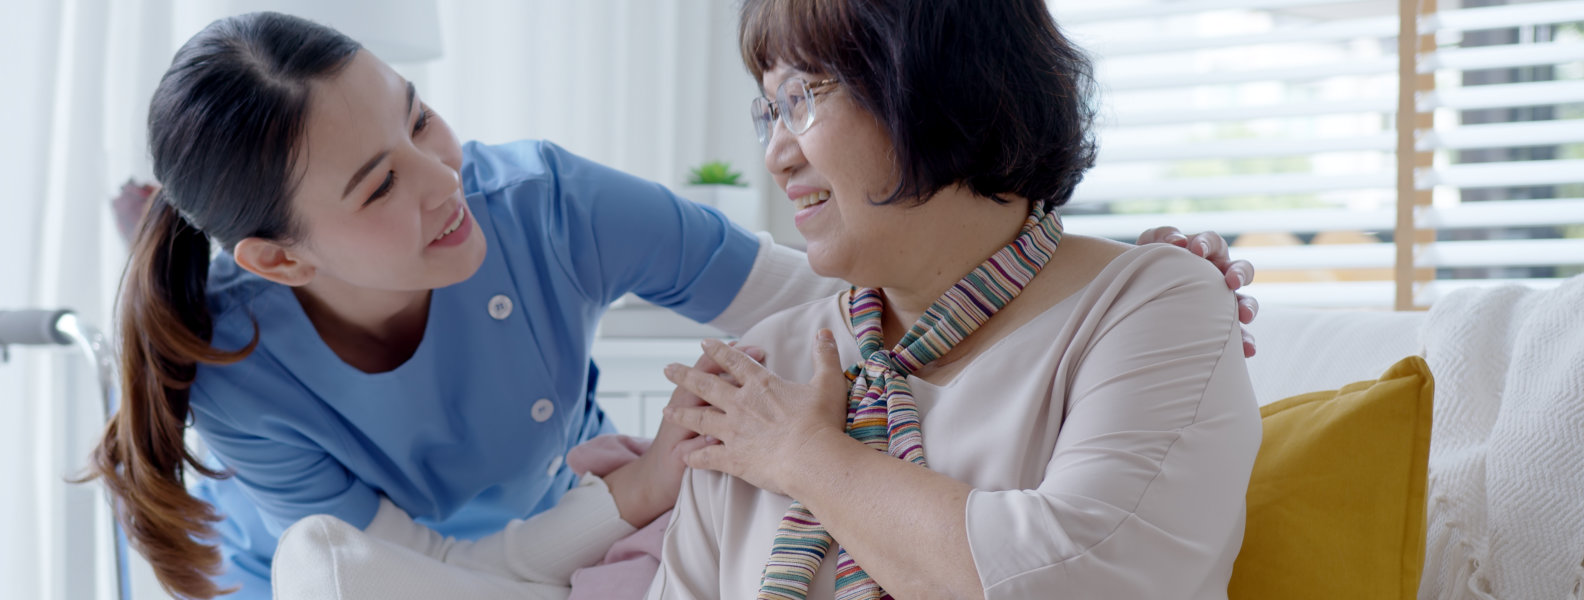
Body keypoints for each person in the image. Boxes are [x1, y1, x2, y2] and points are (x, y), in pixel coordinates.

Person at [83, 11, 1261, 599]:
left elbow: (863, 290)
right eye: (381, 182)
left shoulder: (547, 207)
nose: (447, 180)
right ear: (281, 260)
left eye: (420, 120)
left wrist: (1108, 270)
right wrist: (653, 483)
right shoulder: (239, 371)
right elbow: (431, 565)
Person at [648, 2, 1263, 599]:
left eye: (802, 98)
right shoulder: (763, 367)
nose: (777, 156)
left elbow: (1078, 578)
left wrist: (803, 456)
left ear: (939, 85)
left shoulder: (1150, 305)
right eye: (770, 111)